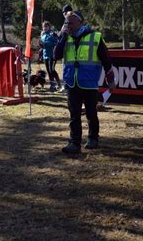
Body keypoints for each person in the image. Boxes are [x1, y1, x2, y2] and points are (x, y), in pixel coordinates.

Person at [54, 10, 115, 155]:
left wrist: (110, 80)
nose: (67, 25)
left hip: (89, 82)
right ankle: (74, 143)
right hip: (71, 82)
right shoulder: (65, 37)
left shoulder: (95, 37)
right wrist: (62, 36)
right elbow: (56, 55)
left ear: (80, 22)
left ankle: (93, 138)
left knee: (91, 113)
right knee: (74, 113)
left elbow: (106, 61)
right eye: (66, 22)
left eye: (70, 22)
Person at [40, 21, 62, 92]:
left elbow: (55, 43)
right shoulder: (42, 36)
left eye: (46, 26)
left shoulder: (52, 34)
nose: (45, 28)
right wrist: (41, 45)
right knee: (49, 71)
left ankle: (59, 84)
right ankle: (52, 85)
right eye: (44, 27)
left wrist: (45, 44)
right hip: (45, 55)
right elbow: (43, 46)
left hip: (52, 55)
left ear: (49, 27)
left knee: (52, 70)